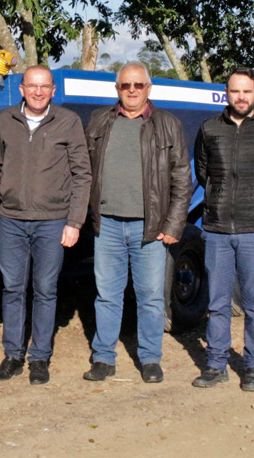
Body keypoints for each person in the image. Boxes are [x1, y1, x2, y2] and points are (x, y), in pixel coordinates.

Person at [82, 62, 191, 384]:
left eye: (138, 85)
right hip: (109, 226)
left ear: (148, 88)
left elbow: (182, 179)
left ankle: (150, 359)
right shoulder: (100, 121)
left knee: (151, 297)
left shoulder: (167, 124)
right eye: (125, 85)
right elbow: (85, 169)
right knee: (107, 296)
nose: (132, 90)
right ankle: (103, 358)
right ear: (117, 89)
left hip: (150, 229)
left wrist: (172, 226)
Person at [0, 66, 92, 385]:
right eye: (32, 86)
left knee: (45, 290)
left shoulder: (68, 121)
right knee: (12, 288)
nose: (37, 92)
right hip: (12, 220)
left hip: (52, 221)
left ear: (53, 91)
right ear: (20, 89)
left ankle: (40, 358)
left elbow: (82, 174)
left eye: (44, 86)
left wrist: (74, 221)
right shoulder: (5, 120)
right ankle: (13, 356)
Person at [191, 67, 254, 392]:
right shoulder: (209, 129)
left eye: (246, 91)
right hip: (218, 229)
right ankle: (216, 364)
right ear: (227, 93)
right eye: (235, 91)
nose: (241, 97)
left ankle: (252, 366)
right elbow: (204, 171)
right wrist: (219, 199)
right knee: (217, 302)